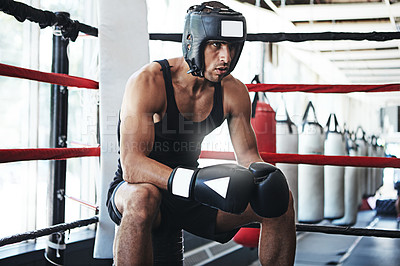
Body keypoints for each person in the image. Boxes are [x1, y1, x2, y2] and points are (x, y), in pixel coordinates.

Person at [106, 1, 296, 265]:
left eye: (232, 47)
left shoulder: (234, 92)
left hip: (188, 196)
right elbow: (132, 166)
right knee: (142, 197)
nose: (226, 57)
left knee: (279, 201)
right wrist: (193, 184)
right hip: (138, 188)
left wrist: (266, 177)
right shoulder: (149, 82)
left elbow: (249, 156)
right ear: (193, 42)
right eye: (216, 45)